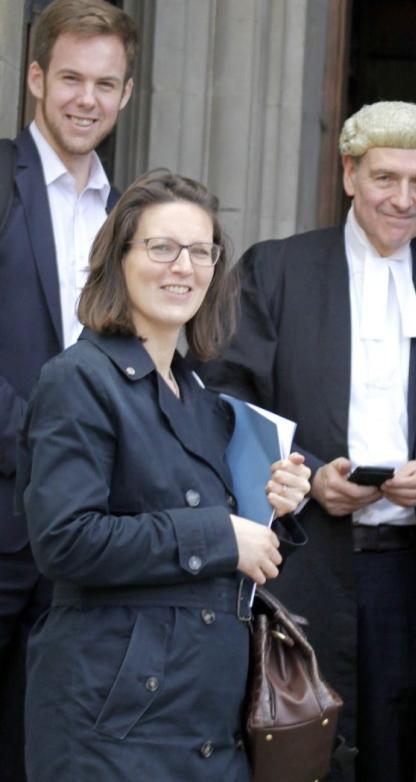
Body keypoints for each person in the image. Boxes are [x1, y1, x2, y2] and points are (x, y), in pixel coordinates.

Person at [200, 101, 416, 781]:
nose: (403, 199)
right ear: (348, 174)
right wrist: (301, 477)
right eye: (385, 177)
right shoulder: (274, 272)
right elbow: (224, 401)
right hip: (300, 563)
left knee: (406, 749)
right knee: (302, 746)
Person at [14, 170, 311, 779]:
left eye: (201, 251)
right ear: (118, 258)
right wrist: (219, 535)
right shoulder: (78, 379)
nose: (185, 267)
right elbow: (65, 541)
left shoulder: (203, 399)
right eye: (162, 248)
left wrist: (275, 507)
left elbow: (233, 556)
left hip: (208, 729)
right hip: (111, 726)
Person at [0, 1, 138, 776]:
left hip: (91, 540)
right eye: (71, 79)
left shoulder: (136, 216)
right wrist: (48, 442)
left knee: (56, 748)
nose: (87, 99)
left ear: (125, 93)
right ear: (35, 80)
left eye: (105, 83)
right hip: (1, 509)